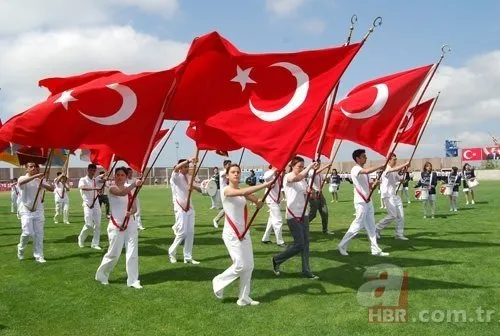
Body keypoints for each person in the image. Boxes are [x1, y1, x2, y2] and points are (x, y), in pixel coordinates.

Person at [212, 163, 273, 306]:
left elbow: (254, 199)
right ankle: (218, 281)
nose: (236, 174)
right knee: (239, 265)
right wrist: (265, 185)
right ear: (227, 175)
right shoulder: (226, 190)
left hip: (244, 232)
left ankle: (244, 297)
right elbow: (243, 192)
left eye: (238, 172)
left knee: (249, 265)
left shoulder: (240, 190)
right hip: (231, 234)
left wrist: (259, 202)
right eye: (233, 172)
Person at [271, 156, 320, 279]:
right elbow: (296, 178)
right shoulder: (288, 177)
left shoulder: (303, 180)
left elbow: (306, 193)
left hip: (304, 214)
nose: (301, 169)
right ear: (292, 166)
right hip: (293, 215)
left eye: (302, 167)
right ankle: (277, 259)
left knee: (306, 244)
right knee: (299, 243)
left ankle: (306, 270)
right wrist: (309, 167)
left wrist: (312, 193)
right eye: (299, 166)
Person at [95, 166, 143, 289]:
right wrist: (134, 185)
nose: (119, 177)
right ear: (114, 176)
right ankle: (102, 274)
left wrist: (131, 213)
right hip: (116, 225)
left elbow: (134, 208)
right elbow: (122, 192)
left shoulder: (131, 191)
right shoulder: (112, 188)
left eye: (122, 175)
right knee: (114, 253)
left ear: (126, 177)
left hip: (130, 224)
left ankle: (133, 280)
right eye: (118, 175)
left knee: (132, 252)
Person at [338, 149, 389, 257]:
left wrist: (376, 183)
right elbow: (366, 172)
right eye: (363, 156)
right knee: (357, 225)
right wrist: (381, 166)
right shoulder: (355, 169)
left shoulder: (364, 171)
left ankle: (375, 249)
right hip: (361, 202)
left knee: (371, 227)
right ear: (358, 158)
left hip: (368, 201)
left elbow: (370, 186)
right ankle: (342, 245)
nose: (366, 158)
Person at [17, 162, 54, 263]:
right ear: (27, 169)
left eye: (36, 166)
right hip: (26, 210)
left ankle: (39, 255)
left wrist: (43, 183)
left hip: (38, 210)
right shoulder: (22, 178)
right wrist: (36, 176)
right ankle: (21, 248)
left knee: (39, 234)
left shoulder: (41, 180)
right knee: (27, 233)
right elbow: (21, 183)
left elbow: (52, 189)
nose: (34, 168)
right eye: (31, 167)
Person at [168, 158, 202, 264]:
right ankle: (171, 252)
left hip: (190, 207)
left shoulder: (189, 177)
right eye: (185, 167)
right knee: (182, 232)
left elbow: (200, 189)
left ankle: (188, 257)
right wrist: (189, 160)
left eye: (188, 167)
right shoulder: (175, 177)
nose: (187, 168)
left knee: (190, 232)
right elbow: (176, 168)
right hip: (180, 207)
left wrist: (194, 188)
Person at [375, 154, 410, 241]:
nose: (395, 161)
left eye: (396, 159)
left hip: (395, 195)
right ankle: (376, 228)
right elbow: (394, 169)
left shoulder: (394, 170)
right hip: (388, 195)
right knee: (393, 215)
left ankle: (399, 234)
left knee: (401, 216)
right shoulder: (386, 169)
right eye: (394, 159)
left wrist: (405, 171)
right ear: (389, 160)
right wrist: (405, 164)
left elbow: (401, 179)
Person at [78, 164, 105, 249]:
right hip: (87, 205)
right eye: (91, 170)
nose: (92, 172)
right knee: (89, 224)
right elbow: (82, 187)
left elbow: (102, 177)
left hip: (96, 204)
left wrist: (105, 176)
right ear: (88, 170)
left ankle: (95, 243)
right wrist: (95, 189)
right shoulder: (83, 179)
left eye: (94, 171)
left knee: (98, 224)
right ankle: (81, 238)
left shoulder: (95, 180)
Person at [261, 166, 285, 247]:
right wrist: (274, 169)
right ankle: (280, 241)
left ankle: (265, 238)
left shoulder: (278, 175)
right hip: (271, 199)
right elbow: (266, 177)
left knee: (271, 220)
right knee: (278, 220)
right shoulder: (269, 173)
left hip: (277, 199)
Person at [307, 163, 333, 235]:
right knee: (313, 214)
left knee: (325, 212)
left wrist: (325, 179)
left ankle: (325, 230)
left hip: (320, 194)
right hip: (313, 194)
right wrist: (326, 166)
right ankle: (302, 225)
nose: (317, 165)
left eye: (318, 164)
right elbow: (314, 174)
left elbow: (321, 180)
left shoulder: (320, 174)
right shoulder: (311, 171)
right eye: (315, 164)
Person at [213, 160, 232, 228]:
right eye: (228, 164)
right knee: (227, 207)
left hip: (230, 191)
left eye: (230, 164)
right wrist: (230, 170)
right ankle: (216, 219)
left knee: (229, 207)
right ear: (224, 165)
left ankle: (218, 220)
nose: (230, 165)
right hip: (224, 192)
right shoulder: (222, 172)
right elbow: (224, 174)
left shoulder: (229, 173)